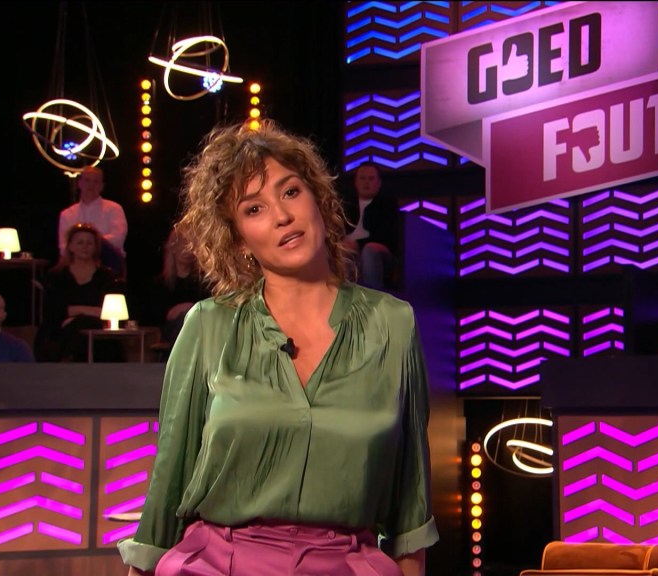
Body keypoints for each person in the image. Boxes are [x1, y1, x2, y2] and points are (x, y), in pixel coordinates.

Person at [117, 122, 437, 576]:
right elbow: (168, 479)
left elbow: (410, 503)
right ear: (238, 239)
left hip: (347, 564)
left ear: (319, 199)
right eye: (254, 208)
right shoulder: (208, 325)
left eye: (290, 192)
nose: (282, 216)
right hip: (218, 563)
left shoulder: (393, 323)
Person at [36, 223, 123, 362]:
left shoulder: (107, 277)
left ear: (96, 247)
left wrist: (74, 315)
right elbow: (53, 310)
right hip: (60, 331)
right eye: (80, 242)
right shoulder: (56, 276)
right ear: (70, 246)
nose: (85, 246)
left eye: (89, 243)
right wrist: (91, 311)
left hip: (97, 332)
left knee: (84, 326)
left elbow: (111, 312)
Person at [58, 165, 128, 277]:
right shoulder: (67, 214)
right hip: (75, 269)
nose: (91, 185)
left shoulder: (114, 209)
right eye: (87, 180)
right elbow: (63, 245)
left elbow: (117, 239)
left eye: (96, 181)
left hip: (109, 266)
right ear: (79, 183)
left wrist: (88, 245)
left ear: (102, 186)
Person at [342, 162, 401, 290]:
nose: (366, 182)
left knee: (369, 250)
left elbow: (386, 237)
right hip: (350, 249)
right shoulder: (346, 205)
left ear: (379, 183)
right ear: (355, 182)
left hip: (381, 251)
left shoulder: (387, 204)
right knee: (338, 251)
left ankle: (371, 298)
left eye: (371, 178)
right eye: (362, 178)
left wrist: (358, 244)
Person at [149, 227, 208, 346]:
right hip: (170, 331)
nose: (185, 250)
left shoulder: (203, 282)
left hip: (199, 329)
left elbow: (209, 308)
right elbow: (159, 315)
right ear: (173, 248)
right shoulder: (162, 283)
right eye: (181, 245)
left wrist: (189, 307)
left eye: (189, 246)